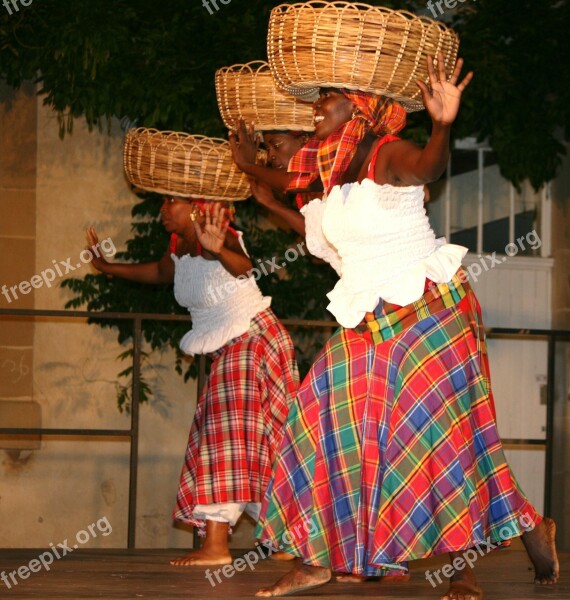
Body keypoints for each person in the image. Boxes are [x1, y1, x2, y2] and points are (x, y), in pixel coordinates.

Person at [229, 52, 559, 600]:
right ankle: (316, 558)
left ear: (358, 108)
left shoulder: (386, 154)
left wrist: (444, 124)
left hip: (430, 310)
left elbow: (429, 167)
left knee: (439, 437)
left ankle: (465, 567)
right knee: (316, 416)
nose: (317, 106)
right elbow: (287, 177)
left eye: (328, 97)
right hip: (371, 314)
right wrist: (248, 167)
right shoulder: (330, 168)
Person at [86, 196, 299, 566]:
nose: (163, 209)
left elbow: (244, 267)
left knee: (225, 437)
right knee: (261, 439)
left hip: (252, 339)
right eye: (164, 201)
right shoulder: (178, 246)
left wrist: (218, 250)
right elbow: (159, 273)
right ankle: (287, 534)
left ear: (198, 205)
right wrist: (107, 268)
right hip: (235, 345)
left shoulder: (222, 235)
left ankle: (217, 545)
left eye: (172, 202)